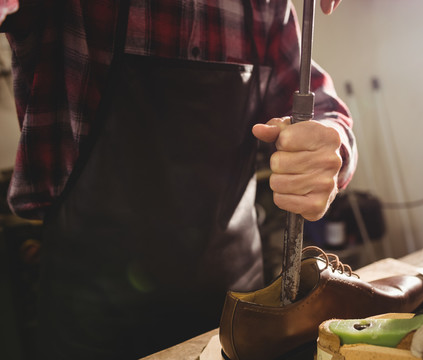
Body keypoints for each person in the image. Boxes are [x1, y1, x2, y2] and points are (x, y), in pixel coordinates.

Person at [0, 0, 357, 359]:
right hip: (91, 324)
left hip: (234, 317)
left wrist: (327, 147)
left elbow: (326, 112)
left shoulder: (265, 6)